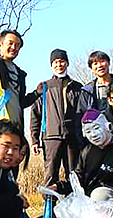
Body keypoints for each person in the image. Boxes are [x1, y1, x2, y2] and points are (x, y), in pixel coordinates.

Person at [30, 49, 83, 186]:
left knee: (73, 175)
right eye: (55, 62)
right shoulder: (44, 87)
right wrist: (35, 140)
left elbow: (84, 113)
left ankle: (72, 206)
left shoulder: (77, 87)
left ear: (67, 63)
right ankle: (49, 207)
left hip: (72, 138)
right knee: (50, 175)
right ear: (51, 65)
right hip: (51, 138)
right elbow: (35, 113)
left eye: (62, 61)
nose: (59, 65)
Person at [51, 109, 113, 200]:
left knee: (99, 195)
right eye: (88, 132)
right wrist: (57, 187)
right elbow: (78, 179)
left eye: (96, 128)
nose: (93, 135)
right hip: (90, 200)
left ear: (108, 127)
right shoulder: (87, 151)